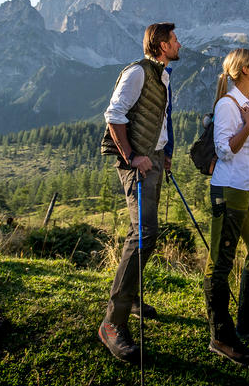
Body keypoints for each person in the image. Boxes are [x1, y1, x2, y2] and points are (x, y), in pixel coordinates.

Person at [98, 22, 180, 363]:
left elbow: (161, 118)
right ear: (161, 44)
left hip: (154, 160)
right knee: (144, 235)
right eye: (174, 39)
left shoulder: (162, 74)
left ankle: (129, 297)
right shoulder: (137, 73)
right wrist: (132, 156)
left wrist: (165, 154)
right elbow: (113, 114)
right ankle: (111, 324)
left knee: (143, 233)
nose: (179, 43)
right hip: (138, 163)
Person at [204, 48, 249, 366]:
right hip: (228, 189)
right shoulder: (227, 105)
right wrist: (247, 125)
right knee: (220, 263)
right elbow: (224, 149)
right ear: (244, 70)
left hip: (246, 189)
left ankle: (248, 320)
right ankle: (221, 336)